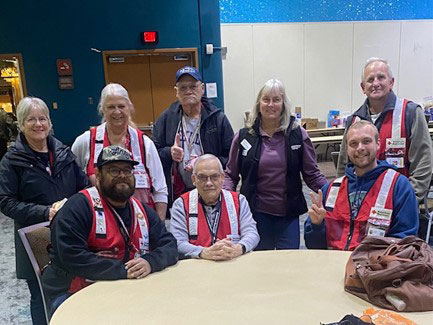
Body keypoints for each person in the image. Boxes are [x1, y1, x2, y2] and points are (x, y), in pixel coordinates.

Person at [42, 145, 178, 317]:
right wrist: (123, 270)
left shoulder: (142, 210)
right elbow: (72, 257)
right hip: (73, 291)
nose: (122, 176)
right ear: (98, 175)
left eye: (127, 170)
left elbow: (170, 245)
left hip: (125, 287)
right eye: (114, 170)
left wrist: (150, 262)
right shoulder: (78, 207)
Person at [0, 97, 89, 325]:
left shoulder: (64, 153)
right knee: (41, 295)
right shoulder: (11, 161)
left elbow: (83, 188)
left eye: (43, 118)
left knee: (73, 287)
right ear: (20, 124)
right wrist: (45, 212)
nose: (38, 124)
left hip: (69, 233)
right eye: (31, 119)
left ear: (50, 122)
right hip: (34, 237)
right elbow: (5, 201)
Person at [224, 79, 327, 250]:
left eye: (276, 100)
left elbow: (312, 174)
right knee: (259, 267)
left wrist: (335, 192)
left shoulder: (297, 134)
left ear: (284, 104)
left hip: (288, 215)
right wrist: (226, 201)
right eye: (266, 99)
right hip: (253, 215)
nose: (271, 104)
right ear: (259, 103)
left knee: (288, 267)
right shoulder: (243, 136)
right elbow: (230, 175)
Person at [305, 121, 419, 250]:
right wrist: (316, 226)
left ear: (378, 144)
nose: (360, 148)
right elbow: (314, 246)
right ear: (347, 149)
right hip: (333, 264)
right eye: (353, 143)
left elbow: (405, 242)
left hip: (377, 267)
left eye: (366, 141)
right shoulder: (331, 189)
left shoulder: (399, 186)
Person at [337, 57, 433, 202]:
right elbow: (344, 165)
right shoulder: (354, 120)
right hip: (362, 204)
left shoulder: (411, 113)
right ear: (363, 87)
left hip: (400, 202)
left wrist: (409, 200)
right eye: (370, 79)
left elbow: (423, 163)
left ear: (391, 82)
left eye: (381, 77)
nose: (375, 83)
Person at [72, 83, 168, 220]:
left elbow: (160, 190)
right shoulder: (85, 142)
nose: (117, 112)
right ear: (102, 110)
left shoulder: (145, 143)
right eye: (111, 107)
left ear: (129, 108)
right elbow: (72, 185)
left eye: (121, 106)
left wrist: (159, 226)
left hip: (140, 221)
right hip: (98, 221)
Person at [153, 66, 234, 208]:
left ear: (202, 89)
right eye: (183, 88)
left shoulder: (217, 119)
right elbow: (153, 153)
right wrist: (169, 153)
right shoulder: (166, 119)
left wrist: (208, 162)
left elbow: (231, 157)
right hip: (178, 191)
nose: (188, 91)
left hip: (210, 189)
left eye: (193, 86)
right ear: (176, 92)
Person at [170, 154, 259, 260]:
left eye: (214, 177)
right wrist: (204, 252)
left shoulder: (239, 201)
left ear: (222, 178)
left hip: (232, 263)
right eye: (202, 177)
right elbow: (178, 242)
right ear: (194, 179)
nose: (208, 183)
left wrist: (239, 248)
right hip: (197, 267)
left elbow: (252, 233)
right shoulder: (181, 204)